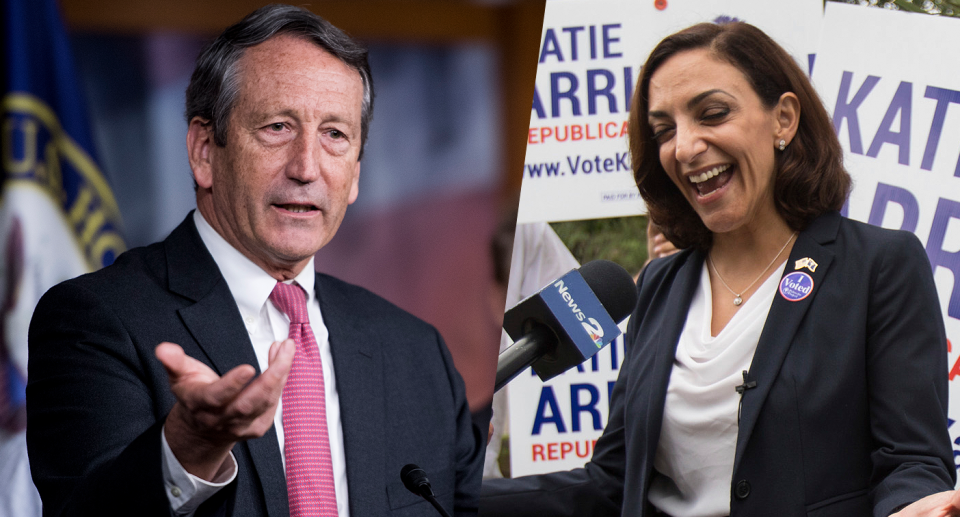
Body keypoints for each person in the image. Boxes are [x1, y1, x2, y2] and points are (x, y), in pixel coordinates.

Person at [480, 21, 958, 517]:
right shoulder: (659, 286)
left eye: (712, 113)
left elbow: (912, 462)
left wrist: (913, 508)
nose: (684, 147)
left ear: (784, 120)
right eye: (664, 130)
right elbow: (611, 483)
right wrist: (458, 495)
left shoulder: (880, 265)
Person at [26, 5, 483, 517]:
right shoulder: (96, 321)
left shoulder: (417, 353)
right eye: (277, 127)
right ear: (204, 151)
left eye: (335, 134)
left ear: (355, 172)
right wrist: (189, 448)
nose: (306, 167)